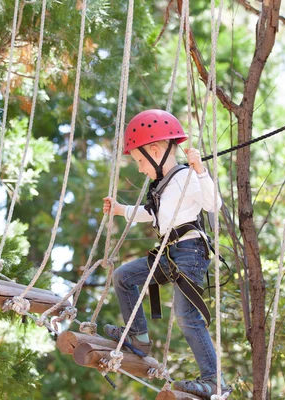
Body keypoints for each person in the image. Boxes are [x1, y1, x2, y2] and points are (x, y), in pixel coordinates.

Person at [102, 109, 231, 399]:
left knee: (187, 317)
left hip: (189, 251)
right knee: (124, 276)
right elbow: (153, 214)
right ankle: (139, 337)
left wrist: (200, 170)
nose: (138, 169)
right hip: (168, 253)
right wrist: (122, 210)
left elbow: (213, 203)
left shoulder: (186, 176)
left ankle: (214, 382)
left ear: (156, 151)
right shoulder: (162, 184)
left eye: (138, 161)